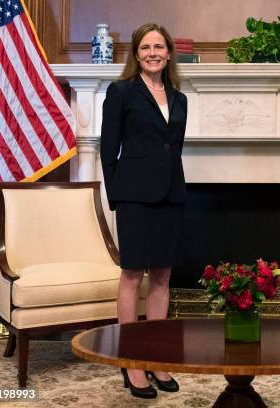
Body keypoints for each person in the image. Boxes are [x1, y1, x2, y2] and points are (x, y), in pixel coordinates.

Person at [100, 22, 187, 399]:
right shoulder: (121, 92)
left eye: (159, 47)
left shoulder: (180, 98)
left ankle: (156, 357)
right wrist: (118, 194)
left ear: (169, 53)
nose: (153, 53)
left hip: (171, 195)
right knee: (133, 275)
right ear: (136, 54)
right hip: (135, 196)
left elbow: (173, 149)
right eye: (145, 47)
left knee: (163, 276)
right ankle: (132, 360)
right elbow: (108, 149)